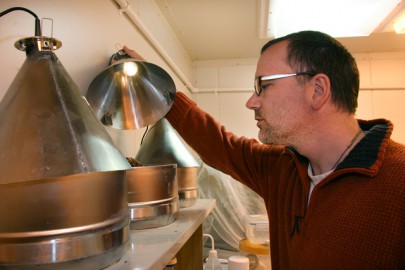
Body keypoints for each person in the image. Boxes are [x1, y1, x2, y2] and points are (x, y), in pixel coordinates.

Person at [123, 30, 405, 269]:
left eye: (263, 86)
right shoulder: (281, 168)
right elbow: (219, 144)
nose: (251, 102)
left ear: (317, 90)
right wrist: (156, 85)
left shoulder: (398, 182)